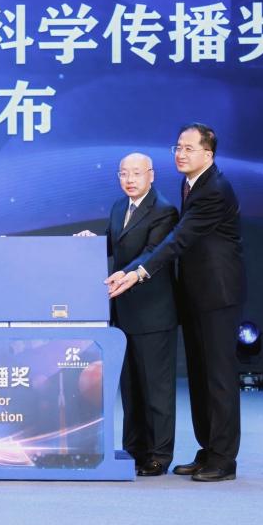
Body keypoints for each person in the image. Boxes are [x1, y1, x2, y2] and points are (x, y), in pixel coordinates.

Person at [108, 123, 246, 482]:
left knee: (218, 379)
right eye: (178, 148)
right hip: (196, 295)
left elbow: (178, 240)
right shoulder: (192, 185)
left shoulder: (214, 189)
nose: (181, 154)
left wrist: (138, 272)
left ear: (208, 154)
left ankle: (223, 459)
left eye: (189, 148)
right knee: (200, 377)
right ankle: (208, 451)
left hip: (218, 295)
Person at [76, 153, 178, 476]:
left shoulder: (164, 210)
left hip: (153, 312)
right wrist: (92, 243)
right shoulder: (120, 206)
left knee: (156, 389)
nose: (129, 179)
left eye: (136, 173)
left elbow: (152, 254)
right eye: (124, 173)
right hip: (123, 311)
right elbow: (114, 244)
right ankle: (134, 450)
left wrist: (126, 274)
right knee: (131, 388)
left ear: (151, 175)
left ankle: (159, 455)